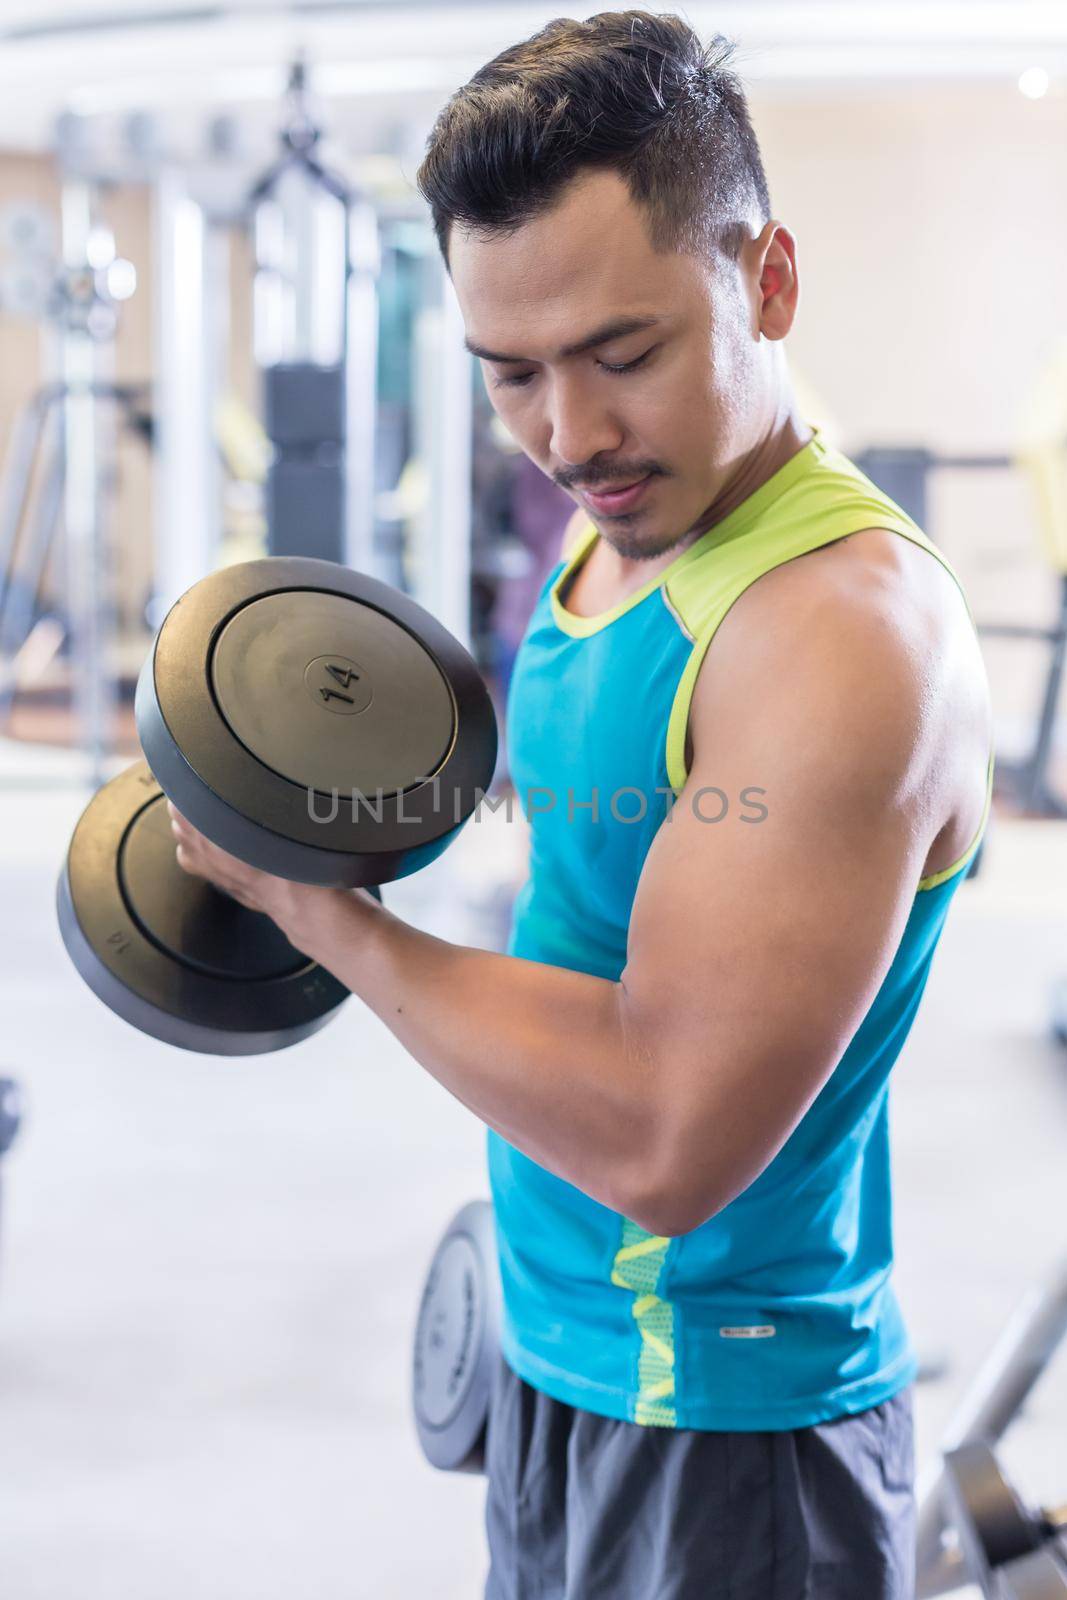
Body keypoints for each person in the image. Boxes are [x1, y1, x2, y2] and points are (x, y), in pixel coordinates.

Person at [169, 12, 994, 1597]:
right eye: (514, 376)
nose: (570, 435)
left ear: (767, 282)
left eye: (625, 353)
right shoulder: (623, 527)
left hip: (731, 1429)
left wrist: (328, 920)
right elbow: (596, 883)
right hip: (570, 1352)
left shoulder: (838, 636)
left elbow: (666, 1133)